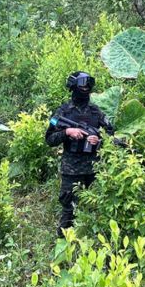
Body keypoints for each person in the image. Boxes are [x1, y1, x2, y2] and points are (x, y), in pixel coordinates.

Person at [45, 71, 114, 238]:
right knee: (69, 208)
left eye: (87, 87)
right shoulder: (63, 112)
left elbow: (111, 135)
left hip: (94, 168)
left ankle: (92, 241)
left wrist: (98, 140)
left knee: (96, 207)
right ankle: (64, 244)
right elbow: (49, 139)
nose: (85, 90)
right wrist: (67, 132)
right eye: (82, 86)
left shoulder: (96, 112)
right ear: (74, 88)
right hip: (71, 169)